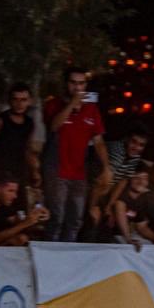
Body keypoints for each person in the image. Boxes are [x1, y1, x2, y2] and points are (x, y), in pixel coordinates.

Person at [42, 66, 112, 242]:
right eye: (73, 83)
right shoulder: (53, 104)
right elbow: (54, 126)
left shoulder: (91, 109)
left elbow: (99, 141)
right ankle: (50, 257)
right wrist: (72, 104)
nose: (77, 88)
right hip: (56, 170)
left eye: (81, 83)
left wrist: (106, 167)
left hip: (79, 173)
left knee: (75, 220)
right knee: (56, 218)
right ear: (66, 84)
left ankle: (67, 259)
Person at [0, 82, 41, 200]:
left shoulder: (29, 123)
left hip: (18, 173)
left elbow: (27, 147)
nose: (19, 104)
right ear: (10, 101)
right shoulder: (0, 121)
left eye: (23, 100)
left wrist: (34, 170)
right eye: (15, 99)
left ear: (29, 101)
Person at [89, 123, 151, 230]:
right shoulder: (117, 151)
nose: (136, 147)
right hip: (89, 186)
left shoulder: (135, 157)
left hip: (104, 190)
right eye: (133, 142)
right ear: (127, 139)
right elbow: (100, 183)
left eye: (141, 145)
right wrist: (93, 207)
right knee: (94, 217)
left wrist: (109, 206)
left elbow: (122, 182)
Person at [0, 175, 49, 246]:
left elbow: (17, 225)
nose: (15, 196)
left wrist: (37, 218)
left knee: (21, 238)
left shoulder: (7, 206)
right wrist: (25, 223)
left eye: (15, 192)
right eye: (10, 191)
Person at [112, 164, 154, 250]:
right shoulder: (122, 197)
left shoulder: (140, 200)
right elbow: (121, 218)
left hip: (127, 235)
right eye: (137, 178)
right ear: (130, 179)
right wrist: (128, 239)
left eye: (145, 179)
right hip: (113, 236)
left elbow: (141, 227)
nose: (141, 182)